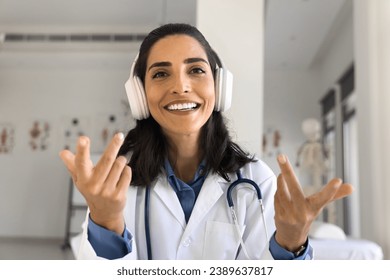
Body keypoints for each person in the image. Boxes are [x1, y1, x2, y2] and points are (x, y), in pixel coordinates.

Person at [59, 23, 353, 260]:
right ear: (140, 96)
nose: (181, 86)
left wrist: (292, 245)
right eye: (161, 74)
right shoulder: (115, 184)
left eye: (196, 70)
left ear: (219, 87)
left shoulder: (256, 180)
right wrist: (106, 221)